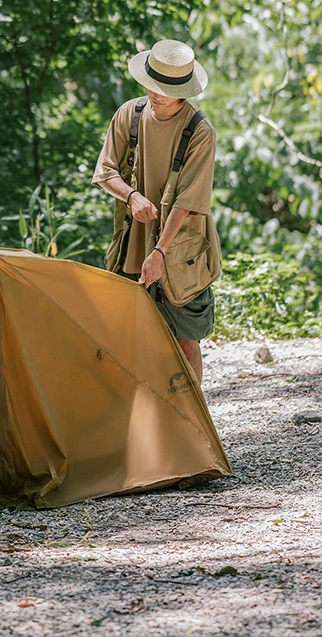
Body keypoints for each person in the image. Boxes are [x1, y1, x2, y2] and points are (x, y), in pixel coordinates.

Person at [92, 39, 220, 384]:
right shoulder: (129, 115)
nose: (156, 94)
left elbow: (189, 203)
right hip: (132, 243)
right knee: (127, 337)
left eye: (167, 89)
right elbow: (104, 172)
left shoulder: (200, 132)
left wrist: (160, 252)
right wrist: (132, 196)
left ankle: (193, 425)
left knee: (184, 338)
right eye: (152, 85)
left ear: (184, 90)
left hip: (180, 250)